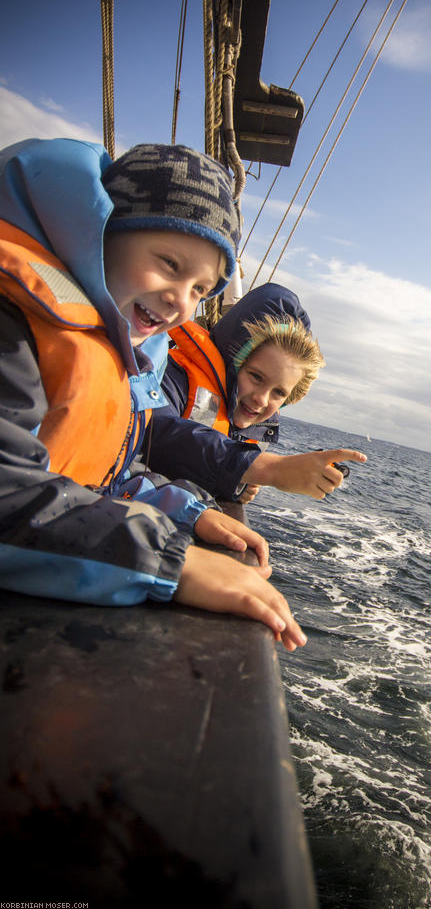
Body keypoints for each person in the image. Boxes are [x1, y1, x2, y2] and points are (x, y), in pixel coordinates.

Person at [0, 138, 305, 651]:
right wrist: (172, 560)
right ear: (105, 229)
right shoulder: (12, 322)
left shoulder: (115, 348)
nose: (180, 301)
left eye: (199, 291)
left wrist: (185, 511)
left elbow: (107, 467)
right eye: (169, 263)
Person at [150, 282, 366, 503]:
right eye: (255, 377)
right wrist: (265, 468)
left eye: (279, 393)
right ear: (232, 363)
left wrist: (234, 484)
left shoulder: (255, 425)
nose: (261, 399)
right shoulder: (170, 378)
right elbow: (154, 430)